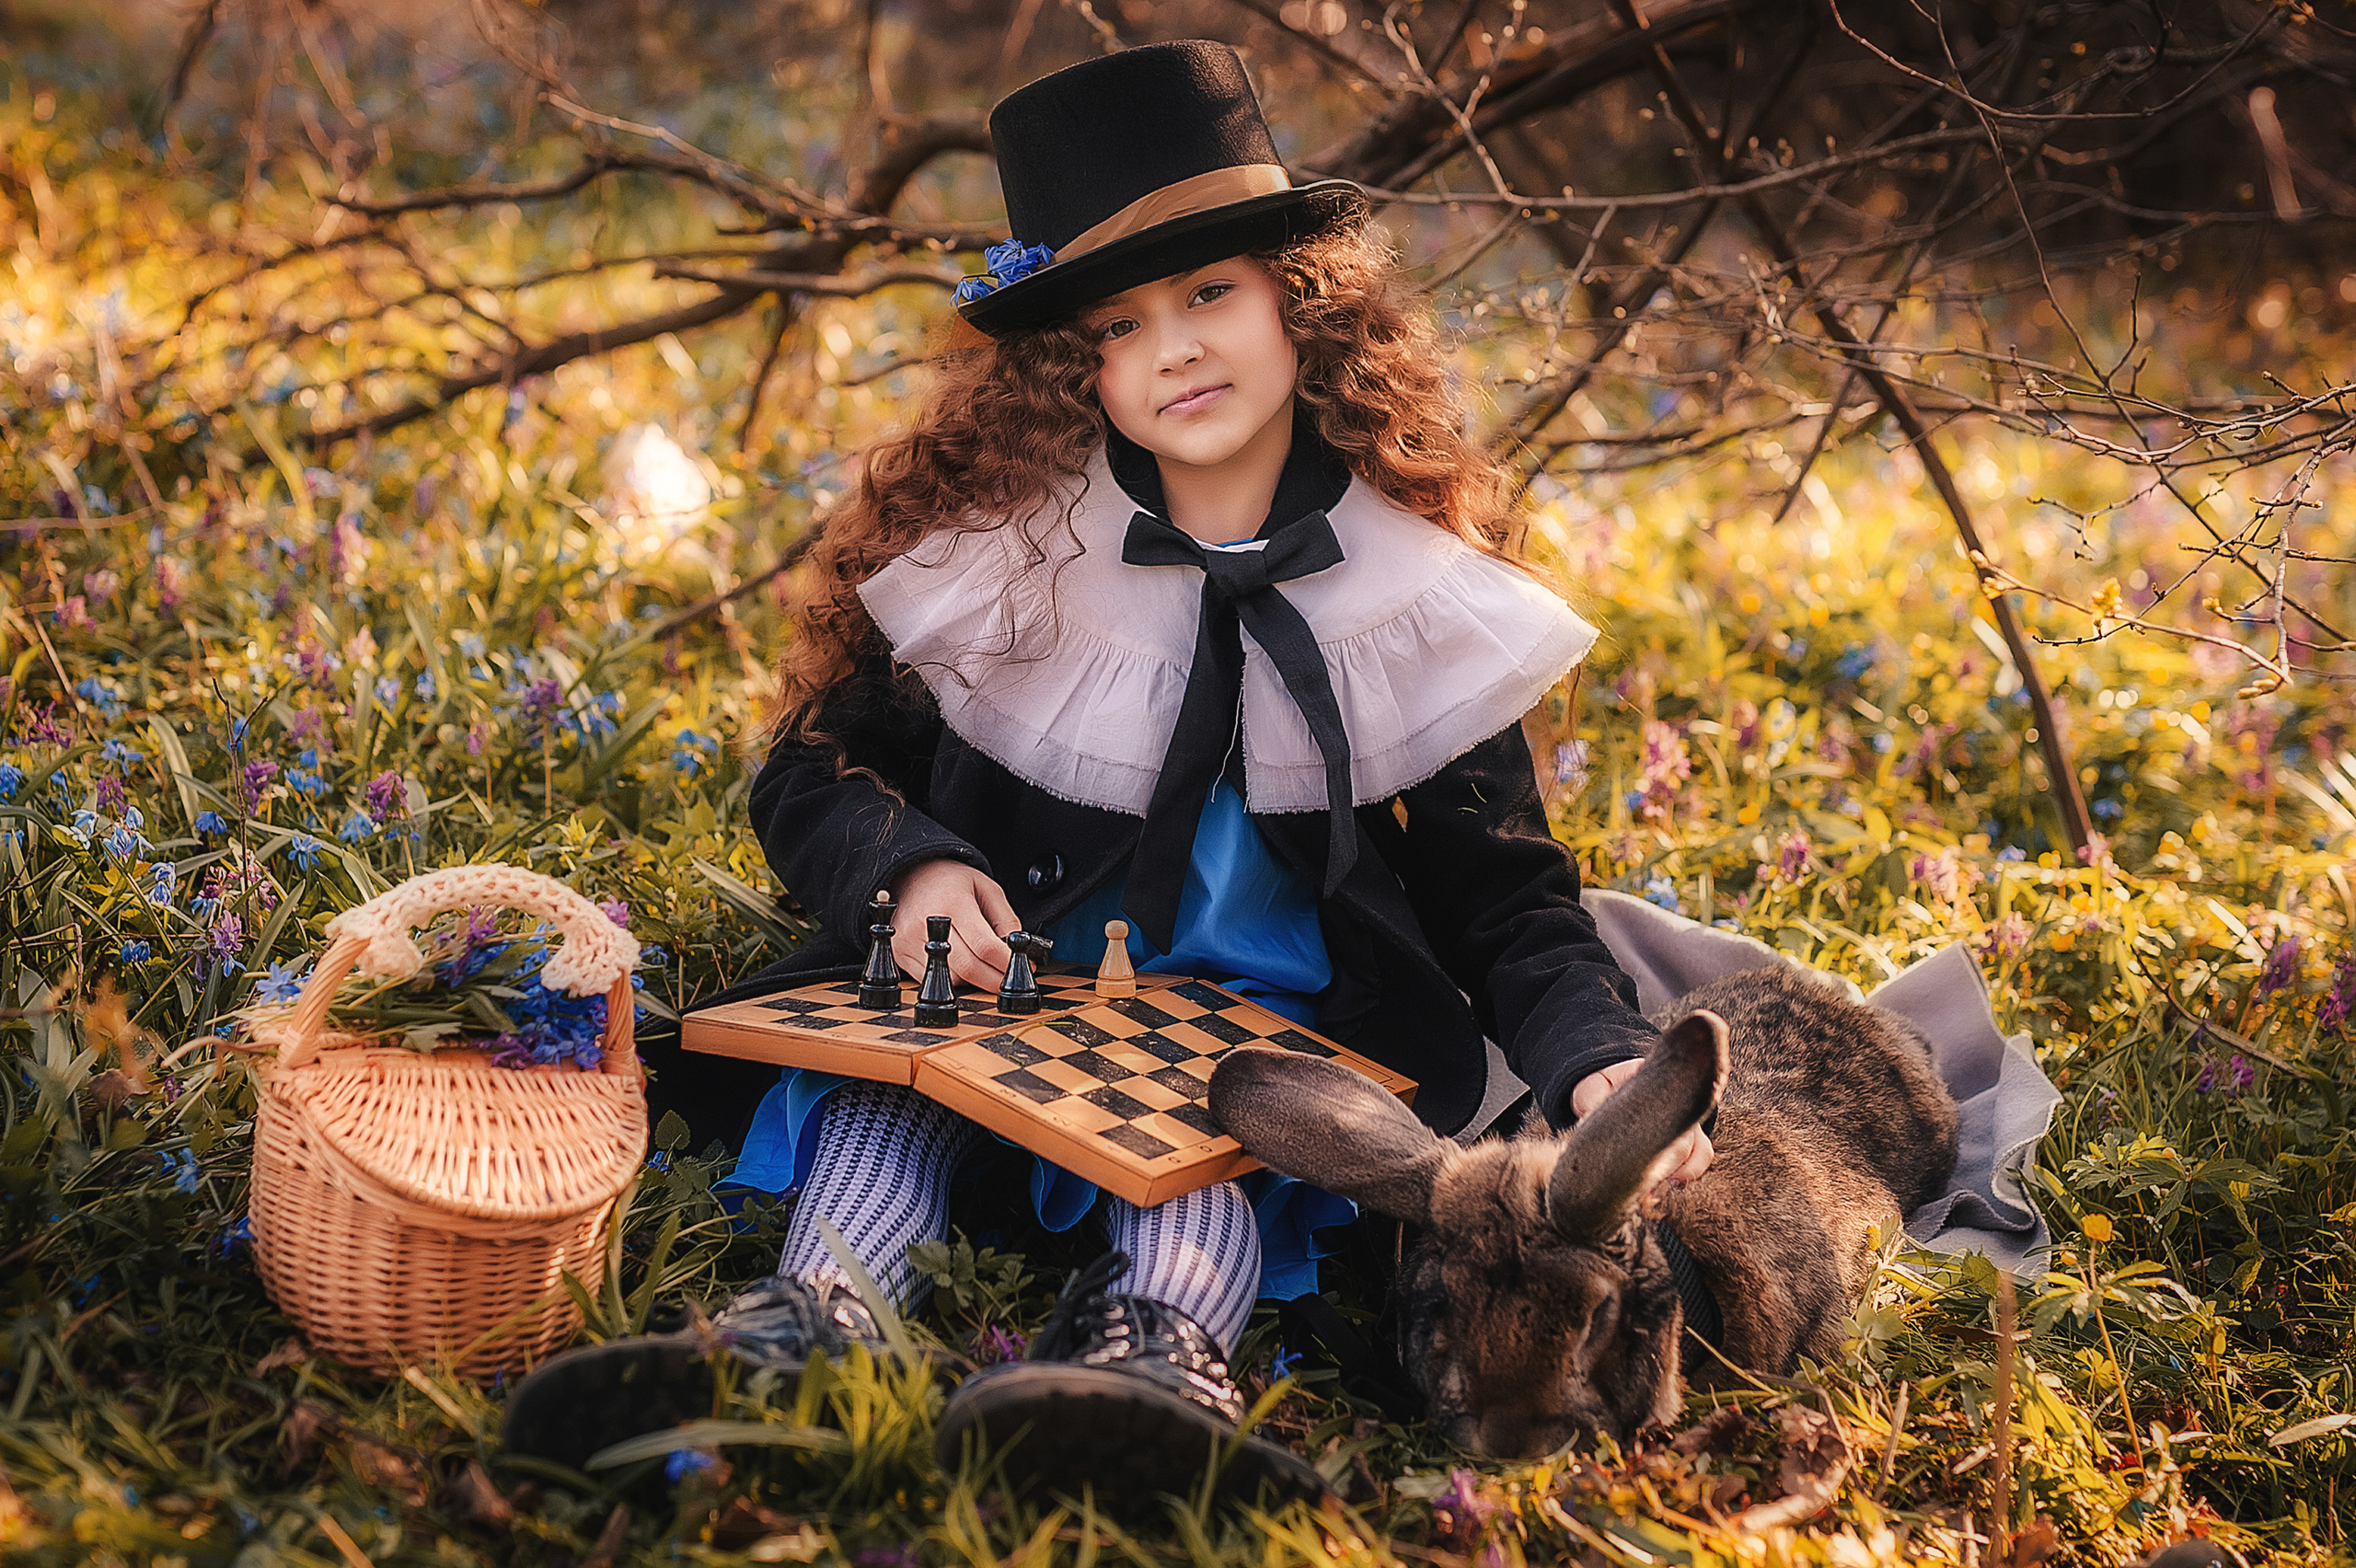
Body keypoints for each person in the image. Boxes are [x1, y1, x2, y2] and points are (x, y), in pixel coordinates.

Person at [502, 40, 1709, 1505]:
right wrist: (914, 872)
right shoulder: (1006, 551)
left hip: (1271, 1040)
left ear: (1300, 302)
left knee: (1229, 1137)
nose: (1179, 348)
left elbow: (1508, 898)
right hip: (1002, 999)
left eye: (1211, 293)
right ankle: (815, 1326)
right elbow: (812, 771)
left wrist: (1593, 1062)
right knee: (899, 1086)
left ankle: (1150, 1369)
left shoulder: (1414, 592)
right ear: (1078, 368)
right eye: (1123, 325)